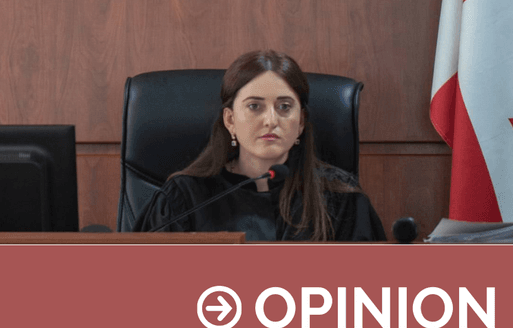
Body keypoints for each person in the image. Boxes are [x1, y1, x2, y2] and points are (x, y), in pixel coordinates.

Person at [133, 50, 386, 241]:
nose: (271, 120)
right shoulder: (185, 198)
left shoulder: (341, 198)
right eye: (255, 106)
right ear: (230, 120)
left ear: (300, 122)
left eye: (284, 107)